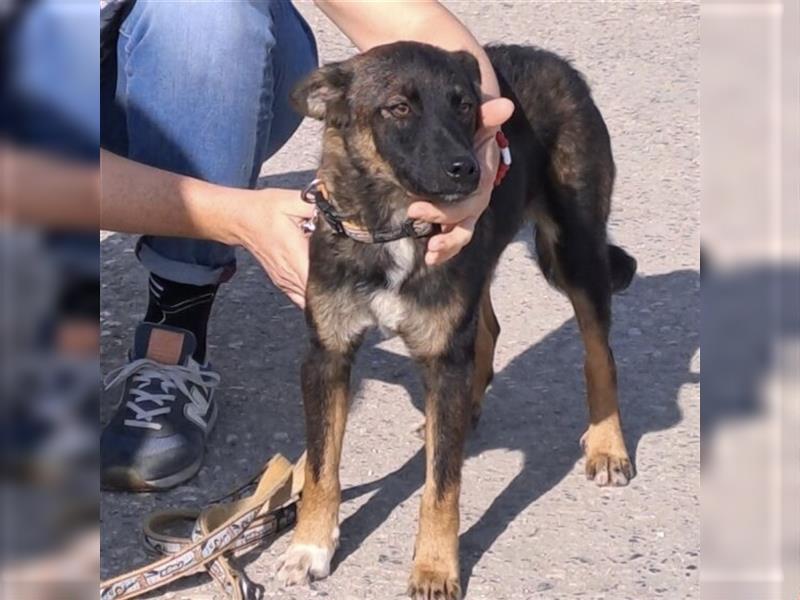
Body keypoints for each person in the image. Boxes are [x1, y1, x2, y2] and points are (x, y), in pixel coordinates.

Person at [99, 0, 513, 491]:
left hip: (185, 64)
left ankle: (176, 321)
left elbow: (421, 27)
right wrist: (235, 216)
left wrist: (487, 147)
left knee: (205, 13)